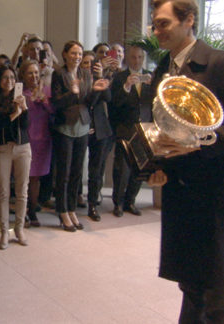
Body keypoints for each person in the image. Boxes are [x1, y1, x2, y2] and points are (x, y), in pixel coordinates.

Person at [147, 0, 224, 323]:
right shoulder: (164, 67)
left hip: (214, 189)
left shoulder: (220, 62)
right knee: (191, 283)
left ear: (189, 20)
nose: (156, 31)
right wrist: (156, 165)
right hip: (181, 188)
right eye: (155, 24)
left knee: (216, 288)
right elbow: (164, 127)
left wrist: (207, 139)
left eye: (164, 24)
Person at [51, 41, 109, 232]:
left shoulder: (85, 74)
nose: (77, 57)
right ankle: (62, 211)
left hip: (83, 127)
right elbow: (56, 103)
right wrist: (71, 92)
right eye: (74, 53)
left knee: (77, 172)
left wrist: (96, 91)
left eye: (79, 54)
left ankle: (72, 209)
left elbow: (88, 103)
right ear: (65, 54)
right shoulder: (58, 74)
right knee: (64, 173)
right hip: (65, 128)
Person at [0, 66, 31, 249]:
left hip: (23, 147)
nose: (9, 81)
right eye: (5, 78)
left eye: (12, 77)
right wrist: (15, 114)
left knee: (22, 190)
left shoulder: (19, 97)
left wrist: (24, 108)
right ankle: (4, 231)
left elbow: (26, 125)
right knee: (3, 191)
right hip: (2, 148)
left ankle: (19, 228)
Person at [110, 45, 153, 217]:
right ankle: (118, 203)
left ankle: (130, 201)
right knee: (122, 168)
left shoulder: (150, 76)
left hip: (145, 129)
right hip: (125, 128)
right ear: (127, 58)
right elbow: (115, 103)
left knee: (140, 167)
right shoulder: (120, 77)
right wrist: (127, 86)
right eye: (134, 57)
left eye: (140, 57)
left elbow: (154, 102)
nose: (137, 61)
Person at [19, 60, 53, 227]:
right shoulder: (20, 91)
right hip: (25, 140)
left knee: (35, 178)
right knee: (23, 178)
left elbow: (54, 111)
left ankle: (33, 211)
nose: (33, 76)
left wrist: (44, 100)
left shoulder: (46, 90)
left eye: (36, 73)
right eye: (29, 73)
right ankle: (22, 211)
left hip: (43, 140)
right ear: (23, 75)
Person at [85, 50, 114, 222]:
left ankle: (92, 204)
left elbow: (107, 97)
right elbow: (86, 102)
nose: (89, 66)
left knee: (96, 169)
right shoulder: (78, 81)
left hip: (100, 128)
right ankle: (74, 201)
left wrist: (99, 77)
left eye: (92, 63)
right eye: (86, 63)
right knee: (74, 169)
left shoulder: (100, 78)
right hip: (81, 127)